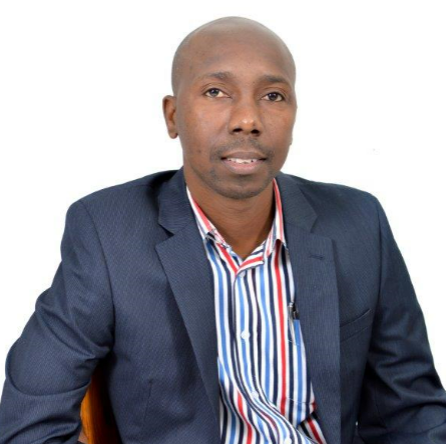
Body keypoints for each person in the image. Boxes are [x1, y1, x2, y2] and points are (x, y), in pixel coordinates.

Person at [0, 15, 445, 444]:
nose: (247, 119)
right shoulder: (108, 233)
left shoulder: (358, 223)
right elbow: (30, 426)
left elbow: (411, 413)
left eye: (273, 96)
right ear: (172, 116)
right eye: (215, 91)